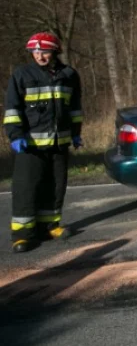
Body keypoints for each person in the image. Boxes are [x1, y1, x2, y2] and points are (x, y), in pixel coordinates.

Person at [4, 33, 82, 253]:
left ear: (55, 52)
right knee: (26, 189)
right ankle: (23, 235)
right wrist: (16, 135)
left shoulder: (69, 75)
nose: (39, 55)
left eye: (44, 51)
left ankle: (49, 227)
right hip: (30, 146)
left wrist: (76, 133)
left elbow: (74, 108)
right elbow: (12, 109)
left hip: (60, 143)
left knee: (56, 186)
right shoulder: (22, 75)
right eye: (35, 51)